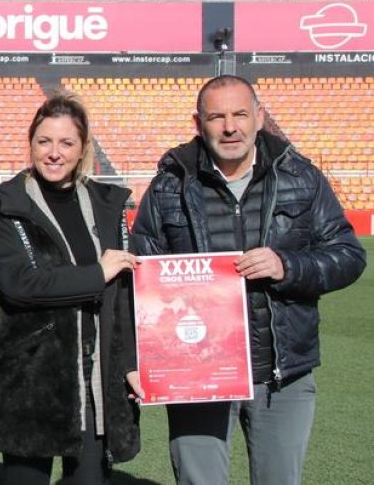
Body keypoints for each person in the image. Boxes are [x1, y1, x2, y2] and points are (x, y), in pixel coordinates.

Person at [132, 75, 366, 485]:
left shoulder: (302, 176)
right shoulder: (169, 184)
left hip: (282, 375)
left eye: (240, 114)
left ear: (259, 117)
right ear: (198, 122)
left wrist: (287, 266)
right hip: (196, 374)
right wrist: (143, 360)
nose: (230, 127)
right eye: (217, 116)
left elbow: (348, 256)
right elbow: (140, 275)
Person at [0, 95, 142, 484]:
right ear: (31, 143)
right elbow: (20, 285)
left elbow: (125, 297)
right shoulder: (6, 205)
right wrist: (95, 275)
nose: (54, 153)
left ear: (83, 148)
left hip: (96, 380)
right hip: (32, 379)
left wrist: (131, 364)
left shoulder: (107, 204)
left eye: (66, 143)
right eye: (44, 141)